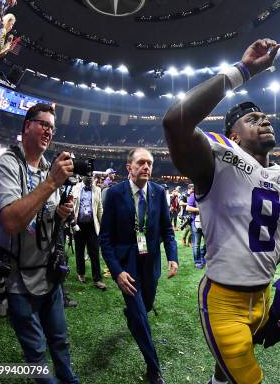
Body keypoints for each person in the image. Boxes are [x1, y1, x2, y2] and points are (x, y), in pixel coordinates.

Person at [162, 38, 280, 384]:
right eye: (252, 118)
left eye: (265, 116)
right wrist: (244, 70)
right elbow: (175, 121)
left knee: (224, 376)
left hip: (264, 298)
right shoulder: (216, 159)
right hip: (224, 301)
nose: (264, 120)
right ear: (232, 135)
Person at [0, 103, 79, 383]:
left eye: (52, 127)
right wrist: (52, 183)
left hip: (49, 275)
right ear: (27, 125)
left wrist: (60, 215)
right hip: (18, 280)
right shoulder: (7, 164)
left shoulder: (45, 171)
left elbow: (43, 221)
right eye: (43, 124)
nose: (49, 132)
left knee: (60, 343)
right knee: (37, 354)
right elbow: (12, 222)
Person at [99, 147, 178, 384]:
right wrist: (116, 272)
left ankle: (132, 313)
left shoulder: (158, 191)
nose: (146, 167)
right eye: (141, 163)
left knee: (145, 306)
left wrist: (172, 256)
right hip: (128, 264)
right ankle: (153, 369)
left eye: (150, 163)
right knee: (141, 317)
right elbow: (105, 239)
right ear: (129, 167)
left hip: (150, 262)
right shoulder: (114, 194)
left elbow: (167, 229)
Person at [72, 175, 105, 290]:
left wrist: (103, 225)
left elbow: (100, 208)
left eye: (91, 175)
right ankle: (81, 273)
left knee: (94, 252)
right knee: (79, 251)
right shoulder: (75, 188)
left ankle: (97, 279)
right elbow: (71, 206)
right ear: (82, 176)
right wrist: (71, 221)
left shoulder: (97, 190)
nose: (90, 178)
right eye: (87, 175)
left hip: (92, 225)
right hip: (79, 225)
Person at [185, 182, 205, 268]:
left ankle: (201, 255)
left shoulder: (208, 196)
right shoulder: (193, 196)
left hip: (207, 223)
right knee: (196, 244)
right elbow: (188, 208)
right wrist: (201, 209)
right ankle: (197, 261)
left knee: (209, 243)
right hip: (196, 222)